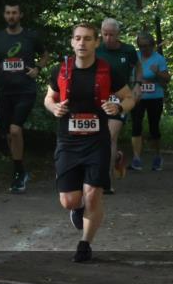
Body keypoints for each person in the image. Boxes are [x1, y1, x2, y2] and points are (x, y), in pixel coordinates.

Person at [44, 23, 134, 263]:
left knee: (93, 194)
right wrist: (54, 108)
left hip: (97, 141)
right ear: (72, 42)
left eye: (87, 39)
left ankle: (85, 243)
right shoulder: (60, 70)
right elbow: (49, 97)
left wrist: (118, 106)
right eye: (77, 38)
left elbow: (129, 97)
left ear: (96, 43)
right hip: (68, 141)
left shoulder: (109, 69)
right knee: (69, 200)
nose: (82, 43)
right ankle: (77, 208)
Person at [0, 3, 49, 193]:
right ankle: (18, 170)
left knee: (14, 130)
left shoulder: (31, 36)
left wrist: (38, 68)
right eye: (8, 13)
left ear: (20, 15)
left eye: (14, 13)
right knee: (8, 133)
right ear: (4, 15)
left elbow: (45, 55)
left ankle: (18, 171)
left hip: (25, 91)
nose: (11, 16)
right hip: (3, 91)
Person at [95, 18, 141, 193]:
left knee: (110, 136)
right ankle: (116, 158)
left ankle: (107, 181)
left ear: (118, 34)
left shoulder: (128, 50)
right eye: (104, 34)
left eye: (111, 35)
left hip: (120, 99)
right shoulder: (96, 50)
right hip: (99, 100)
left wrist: (137, 84)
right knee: (100, 138)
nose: (108, 38)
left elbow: (138, 67)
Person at [130, 32, 169, 171]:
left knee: (154, 128)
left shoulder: (159, 59)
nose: (143, 49)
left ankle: (157, 156)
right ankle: (136, 158)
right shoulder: (135, 57)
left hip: (155, 97)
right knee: (136, 125)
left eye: (146, 46)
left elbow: (167, 78)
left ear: (152, 45)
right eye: (141, 46)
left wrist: (157, 73)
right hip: (137, 97)